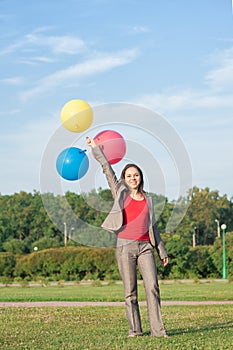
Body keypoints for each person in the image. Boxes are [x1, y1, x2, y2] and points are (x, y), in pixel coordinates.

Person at [86, 137, 169, 338]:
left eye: (136, 175)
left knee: (153, 288)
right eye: (129, 175)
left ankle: (158, 331)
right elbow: (107, 169)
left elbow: (153, 227)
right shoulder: (120, 192)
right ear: (124, 179)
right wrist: (96, 148)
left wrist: (161, 250)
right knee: (130, 292)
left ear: (141, 177)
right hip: (125, 247)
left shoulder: (148, 199)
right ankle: (135, 330)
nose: (133, 178)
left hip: (146, 248)